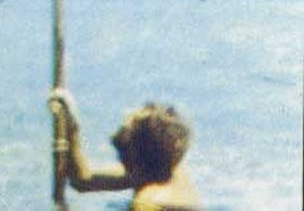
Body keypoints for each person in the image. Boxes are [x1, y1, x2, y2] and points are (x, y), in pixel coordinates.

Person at [48, 89, 202, 211]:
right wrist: (71, 126)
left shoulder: (147, 203)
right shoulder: (165, 168)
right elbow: (83, 181)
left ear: (135, 161)